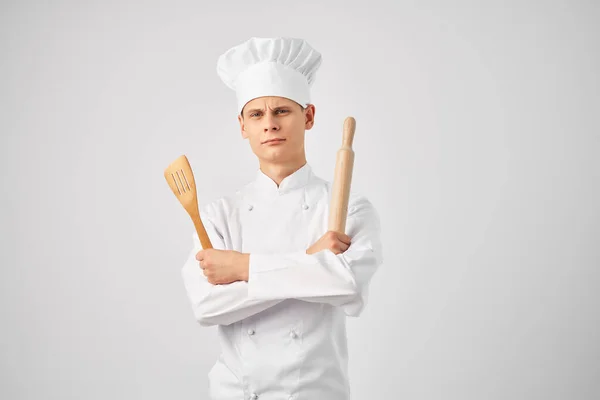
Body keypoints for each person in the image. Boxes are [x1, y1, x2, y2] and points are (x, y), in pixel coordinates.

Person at [180, 37, 384, 400]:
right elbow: (207, 306)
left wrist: (242, 267)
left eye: (282, 112)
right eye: (256, 115)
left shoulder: (349, 207)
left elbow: (348, 287)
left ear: (308, 116)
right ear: (242, 126)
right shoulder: (218, 215)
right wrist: (312, 263)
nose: (269, 124)